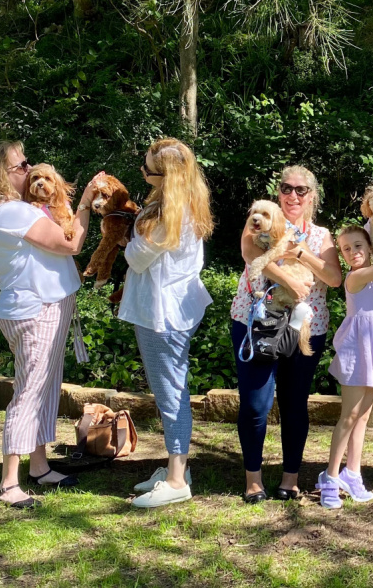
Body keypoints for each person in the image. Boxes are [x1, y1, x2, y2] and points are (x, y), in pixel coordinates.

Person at [0, 140, 103, 508]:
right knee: (29, 394)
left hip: (39, 307)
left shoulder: (14, 211)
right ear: (2, 174)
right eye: (21, 165)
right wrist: (83, 204)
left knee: (45, 389)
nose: (29, 170)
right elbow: (71, 242)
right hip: (37, 310)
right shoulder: (13, 212)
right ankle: (9, 483)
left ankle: (40, 466)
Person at [230, 165, 342, 502]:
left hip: (305, 327)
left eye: (301, 190)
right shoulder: (262, 220)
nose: (293, 195)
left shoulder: (322, 236)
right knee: (254, 404)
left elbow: (334, 278)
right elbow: (251, 256)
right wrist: (291, 280)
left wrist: (301, 253)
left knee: (295, 404)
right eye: (286, 188)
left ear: (312, 196)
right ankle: (253, 479)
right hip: (256, 322)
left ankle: (290, 478)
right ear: (278, 192)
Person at [117, 137, 214, 508]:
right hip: (170, 310)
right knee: (168, 392)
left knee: (172, 394)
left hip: (163, 316)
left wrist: (130, 235)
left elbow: (135, 258)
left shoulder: (169, 214)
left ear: (165, 176)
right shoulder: (179, 204)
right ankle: (178, 469)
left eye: (147, 169)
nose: (142, 173)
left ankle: (176, 480)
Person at [316, 225, 373, 508]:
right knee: (349, 415)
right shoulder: (356, 278)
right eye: (346, 249)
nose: (353, 252)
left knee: (363, 415)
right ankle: (329, 477)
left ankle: (352, 473)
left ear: (369, 246)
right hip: (356, 349)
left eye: (358, 245)